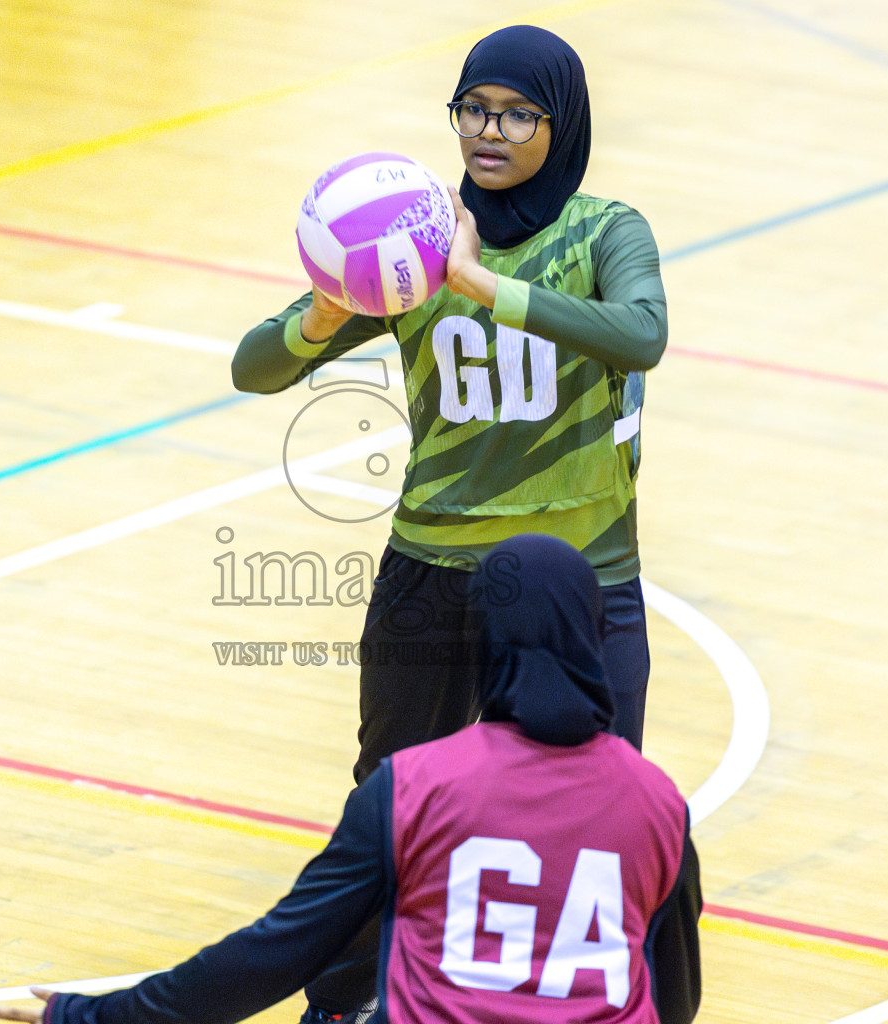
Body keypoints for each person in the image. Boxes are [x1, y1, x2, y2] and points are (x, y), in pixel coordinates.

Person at [231, 27, 669, 1018]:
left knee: (604, 806)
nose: (490, 131)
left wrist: (480, 285)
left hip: (580, 582)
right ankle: (342, 1000)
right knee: (385, 799)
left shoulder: (606, 233)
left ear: (564, 123)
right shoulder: (408, 234)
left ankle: (597, 996)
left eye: (518, 113)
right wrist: (326, 309)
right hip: (433, 568)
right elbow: (252, 367)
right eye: (473, 108)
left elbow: (642, 334)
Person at [0, 535, 701, 1024]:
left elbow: (269, 957)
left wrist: (84, 1013)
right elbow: (677, 996)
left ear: (482, 637)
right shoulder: (657, 805)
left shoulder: (416, 786)